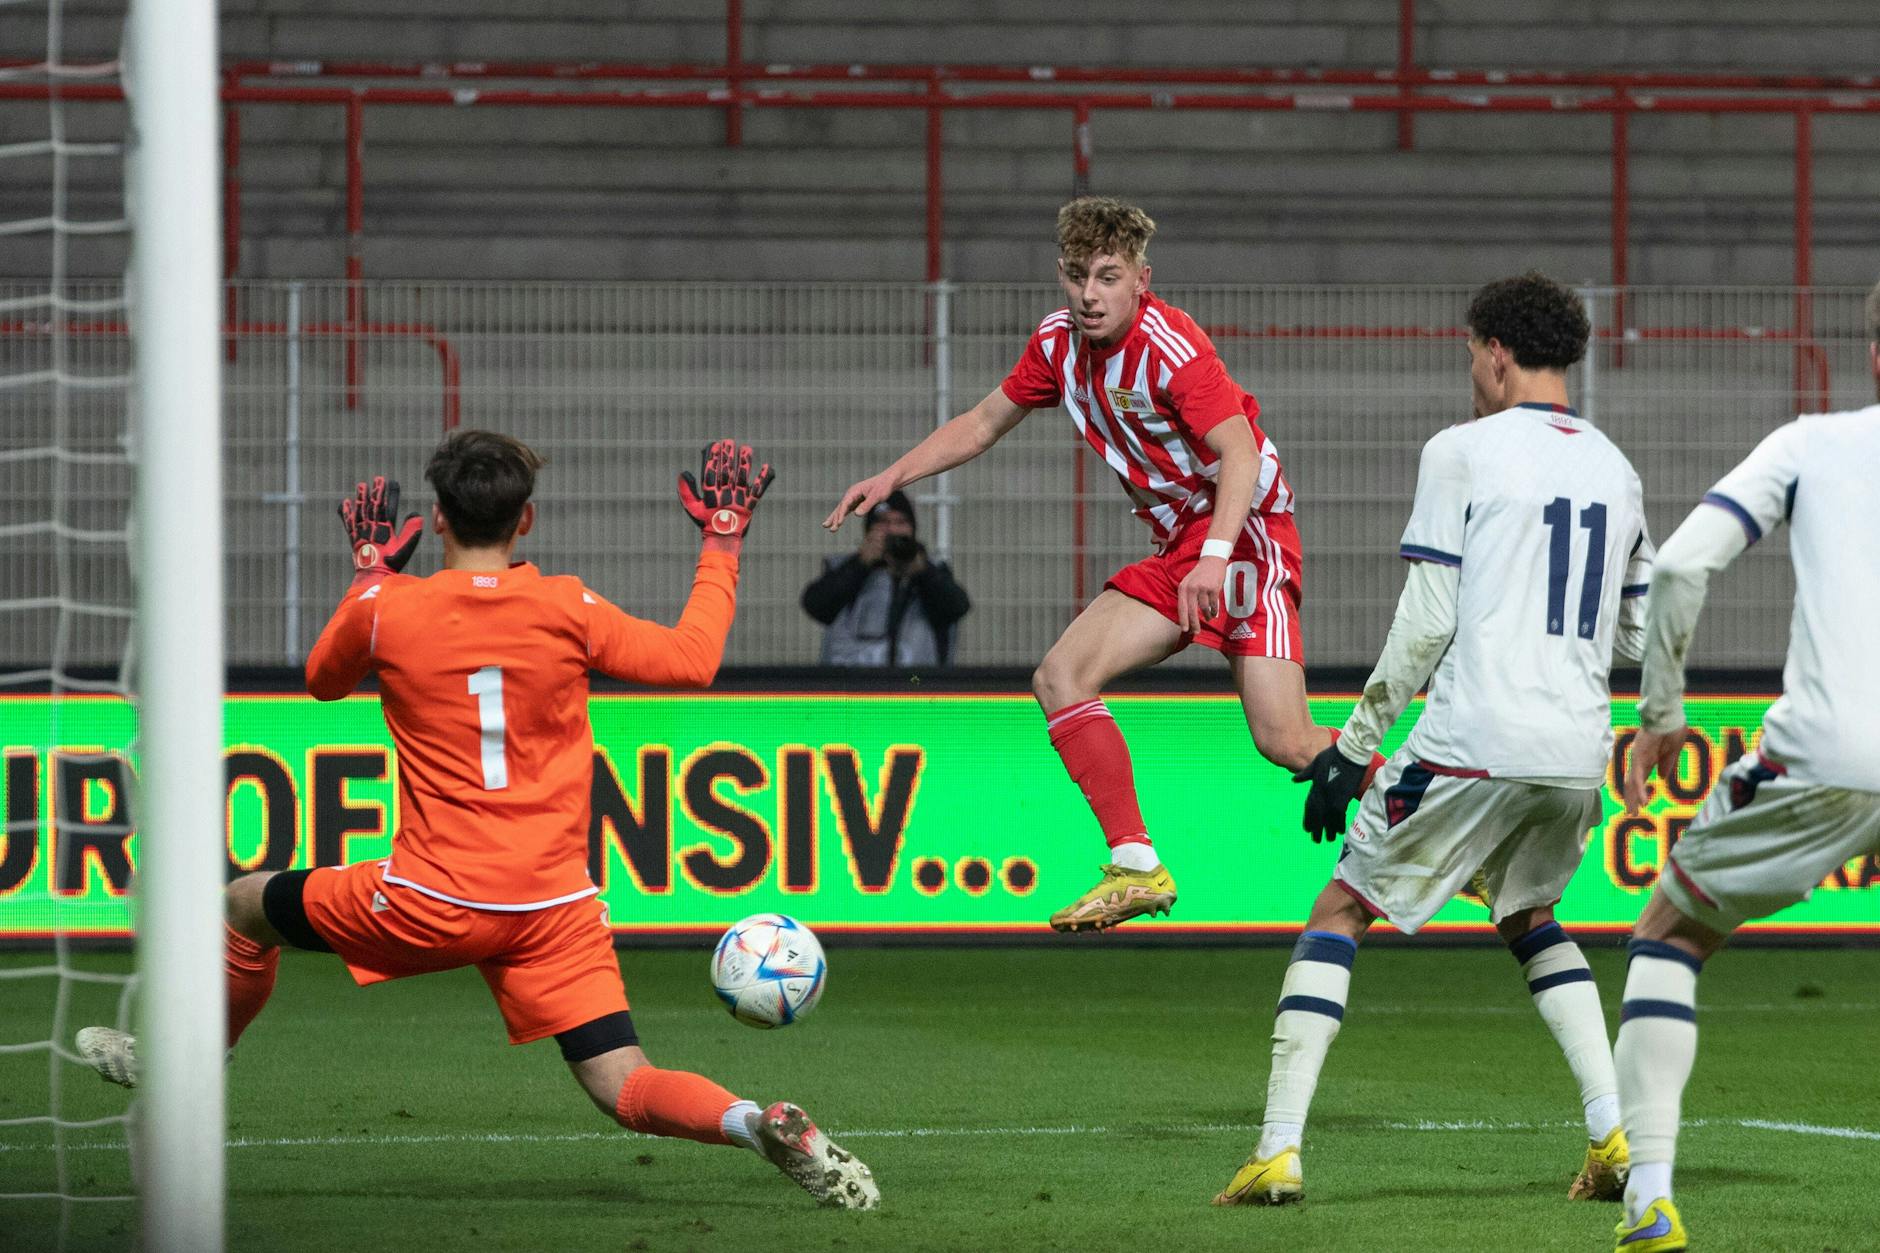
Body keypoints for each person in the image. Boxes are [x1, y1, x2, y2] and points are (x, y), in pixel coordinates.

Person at [76, 432, 879, 1210]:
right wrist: (722, 540)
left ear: (439, 516)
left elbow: (322, 680)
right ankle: (755, 1121)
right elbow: (691, 658)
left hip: (431, 901)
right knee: (621, 1081)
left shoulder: (387, 608)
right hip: (553, 909)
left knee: (248, 905)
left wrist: (366, 573)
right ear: (525, 518)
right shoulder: (568, 606)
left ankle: (182, 1067)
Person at [1214, 273, 1652, 1208]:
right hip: (1577, 749)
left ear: (1494, 351)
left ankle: (1277, 1152)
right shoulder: (1617, 467)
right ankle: (1614, 1135)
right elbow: (1634, 636)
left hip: (1474, 738)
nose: (1469, 373)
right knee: (1529, 916)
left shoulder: (1462, 451)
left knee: (1340, 908)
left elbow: (1425, 622)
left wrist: (1355, 747)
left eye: (1469, 355)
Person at [825, 196, 1373, 932]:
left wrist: (1213, 558)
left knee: (1283, 738)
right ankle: (1138, 866)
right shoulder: (1056, 343)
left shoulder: (1172, 348)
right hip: (1184, 543)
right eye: (1078, 275)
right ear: (1061, 273)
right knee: (1076, 680)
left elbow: (1239, 452)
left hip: (1244, 535)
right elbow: (984, 422)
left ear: (1142, 279)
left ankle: (1450, 823)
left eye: (1108, 276)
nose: (1089, 294)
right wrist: (894, 476)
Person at [1609, 281, 1880, 1253]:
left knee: (1668, 932)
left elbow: (1680, 566)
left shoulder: (1811, 443)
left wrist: (1661, 713)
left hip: (1833, 753)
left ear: (1873, 354)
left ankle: (1644, 1191)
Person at [801, 488, 970, 666]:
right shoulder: (845, 566)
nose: (892, 530)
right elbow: (816, 606)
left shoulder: (930, 569)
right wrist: (860, 564)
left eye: (900, 522)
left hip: (916, 683)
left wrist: (922, 572)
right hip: (850, 684)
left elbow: (957, 608)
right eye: (883, 522)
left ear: (912, 529)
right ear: (869, 530)